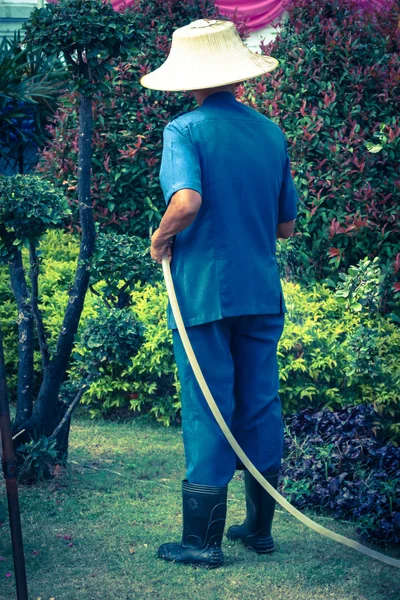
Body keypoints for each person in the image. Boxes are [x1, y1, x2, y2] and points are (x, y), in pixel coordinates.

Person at [140, 18, 299, 568]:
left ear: (189, 79)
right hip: (260, 290)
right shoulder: (270, 132)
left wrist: (161, 238)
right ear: (236, 76)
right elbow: (286, 227)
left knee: (208, 406)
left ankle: (201, 542)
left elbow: (185, 202)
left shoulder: (184, 130)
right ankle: (259, 529)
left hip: (204, 293)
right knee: (258, 404)